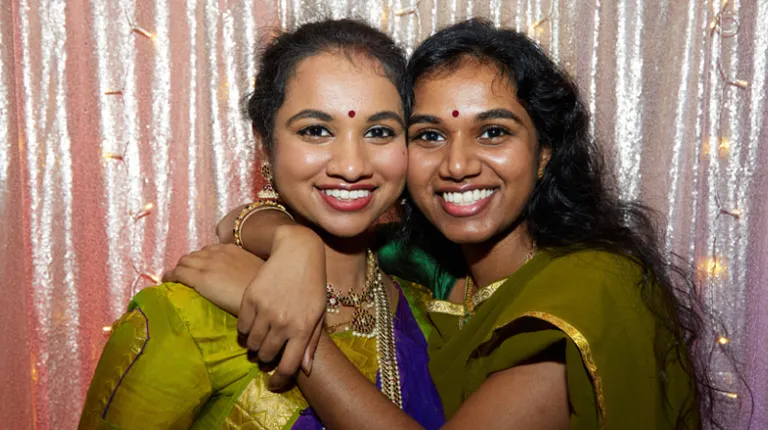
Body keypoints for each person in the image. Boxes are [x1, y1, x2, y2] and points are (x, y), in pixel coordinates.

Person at [176, 19, 710, 429]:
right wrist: (292, 244)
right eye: (429, 135)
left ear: (544, 152)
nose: (458, 165)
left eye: (494, 132)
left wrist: (296, 330)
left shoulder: (586, 291)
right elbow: (236, 225)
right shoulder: (424, 266)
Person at [79, 18, 445, 430]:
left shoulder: (429, 309)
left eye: (379, 131)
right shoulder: (187, 315)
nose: (351, 165)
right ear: (265, 145)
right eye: (316, 130)